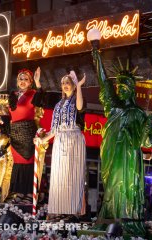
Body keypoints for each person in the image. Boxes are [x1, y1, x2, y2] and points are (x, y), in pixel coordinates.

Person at [91, 47, 152, 235]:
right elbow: (104, 82)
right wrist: (96, 56)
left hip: (129, 159)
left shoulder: (138, 114)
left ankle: (128, 220)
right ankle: (111, 218)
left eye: (124, 88)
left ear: (131, 90)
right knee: (112, 186)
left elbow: (147, 143)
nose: (120, 90)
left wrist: (148, 128)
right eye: (119, 87)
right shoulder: (112, 106)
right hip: (112, 154)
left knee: (127, 187)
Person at [34, 70, 86, 217]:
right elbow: (54, 130)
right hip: (60, 140)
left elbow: (80, 107)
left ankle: (71, 211)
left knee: (72, 175)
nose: (65, 85)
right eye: (63, 83)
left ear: (73, 85)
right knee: (59, 176)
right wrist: (42, 139)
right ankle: (59, 211)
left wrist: (80, 86)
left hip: (74, 137)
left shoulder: (77, 99)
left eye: (68, 83)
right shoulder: (58, 106)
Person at [0, 67, 44, 203]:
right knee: (18, 163)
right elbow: (10, 116)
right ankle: (17, 193)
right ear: (17, 81)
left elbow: (40, 100)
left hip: (28, 131)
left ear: (30, 82)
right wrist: (2, 120)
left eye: (26, 79)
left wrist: (37, 82)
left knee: (28, 162)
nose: (23, 81)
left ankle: (28, 194)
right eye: (21, 79)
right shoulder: (13, 95)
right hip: (15, 132)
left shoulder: (33, 93)